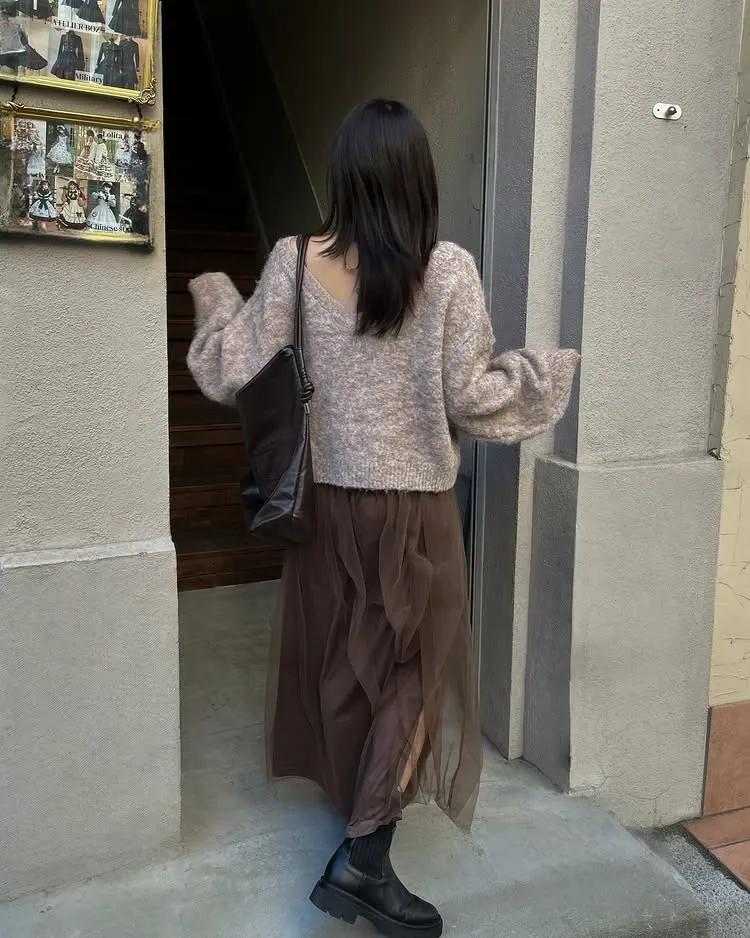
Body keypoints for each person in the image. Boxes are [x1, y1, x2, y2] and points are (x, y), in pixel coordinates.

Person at [187, 99, 579, 938]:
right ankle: (365, 858)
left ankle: (361, 821)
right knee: (414, 677)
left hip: (326, 509)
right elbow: (471, 400)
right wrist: (541, 375)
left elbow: (228, 372)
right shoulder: (449, 271)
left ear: (345, 176)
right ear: (417, 177)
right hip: (415, 514)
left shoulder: (294, 261)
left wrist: (216, 296)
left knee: (347, 665)